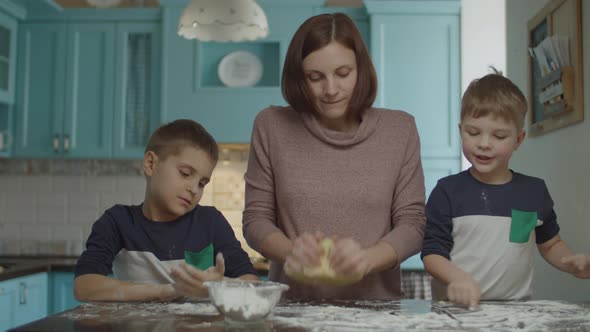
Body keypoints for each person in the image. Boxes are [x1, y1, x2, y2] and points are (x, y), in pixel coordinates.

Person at [242, 13, 426, 300]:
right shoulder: (271, 125)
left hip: (377, 313)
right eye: (315, 77)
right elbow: (255, 219)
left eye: (343, 74)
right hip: (293, 310)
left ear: (361, 70)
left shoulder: (400, 130)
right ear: (298, 77)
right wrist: (291, 252)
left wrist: (366, 259)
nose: (330, 90)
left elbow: (413, 224)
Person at [421, 70, 590, 309]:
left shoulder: (534, 192)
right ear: (460, 131)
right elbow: (431, 254)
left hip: (515, 311)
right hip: (454, 311)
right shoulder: (447, 191)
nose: (484, 143)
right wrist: (456, 278)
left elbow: (550, 244)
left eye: (499, 136)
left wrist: (570, 262)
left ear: (518, 140)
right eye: (473, 132)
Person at [74, 119, 258, 302]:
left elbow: (252, 284)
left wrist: (219, 286)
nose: (194, 189)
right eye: (185, 173)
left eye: (202, 183)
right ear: (150, 164)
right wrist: (165, 291)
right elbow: (84, 286)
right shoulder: (117, 222)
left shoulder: (210, 222)